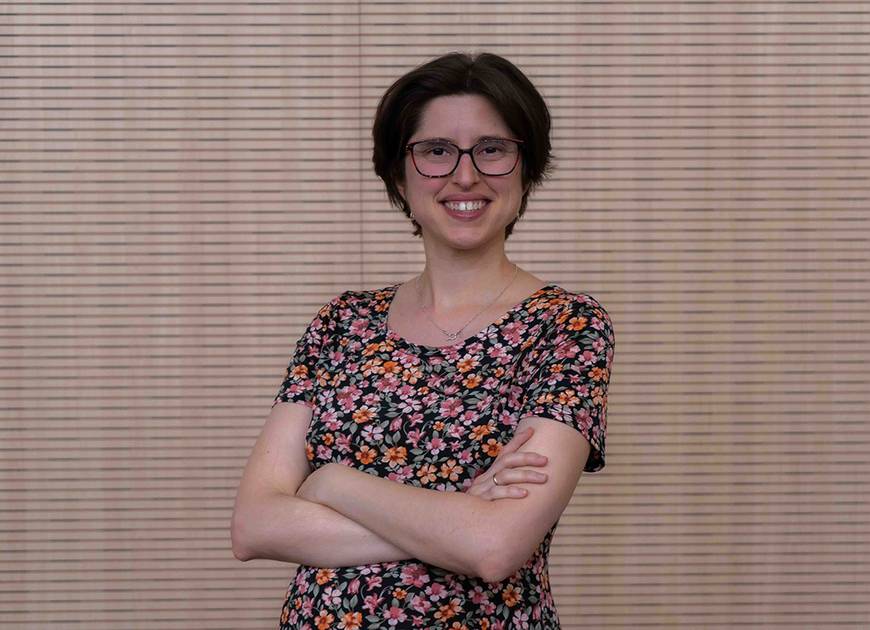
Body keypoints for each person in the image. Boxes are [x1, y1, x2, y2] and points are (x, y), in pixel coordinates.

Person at [230, 51, 615, 629]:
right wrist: (456, 517)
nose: (465, 175)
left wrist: (332, 482)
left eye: (493, 148)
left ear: (526, 168)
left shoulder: (567, 326)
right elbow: (255, 526)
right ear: (399, 175)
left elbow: (495, 548)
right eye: (436, 151)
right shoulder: (341, 322)